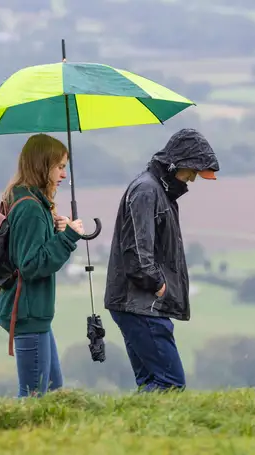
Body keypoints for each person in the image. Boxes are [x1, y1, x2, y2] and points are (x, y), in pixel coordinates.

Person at [104, 128, 220, 392]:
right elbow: (136, 249)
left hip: (137, 302)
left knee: (151, 382)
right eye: (192, 170)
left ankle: (137, 431)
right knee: (169, 383)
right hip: (141, 303)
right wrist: (157, 284)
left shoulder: (157, 190)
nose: (193, 178)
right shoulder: (147, 191)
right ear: (175, 163)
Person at [0, 133, 84, 398]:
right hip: (28, 313)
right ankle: (26, 439)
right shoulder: (31, 209)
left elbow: (33, 250)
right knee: (34, 398)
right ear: (41, 166)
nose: (64, 175)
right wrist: (69, 237)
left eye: (65, 167)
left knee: (54, 392)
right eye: (59, 167)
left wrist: (57, 230)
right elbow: (32, 265)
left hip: (33, 312)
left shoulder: (29, 201)